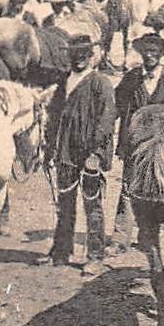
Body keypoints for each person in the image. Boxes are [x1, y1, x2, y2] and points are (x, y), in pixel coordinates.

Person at [44, 34, 117, 274]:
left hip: (89, 154)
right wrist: (49, 149)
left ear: (91, 56)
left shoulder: (100, 83)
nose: (79, 59)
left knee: (92, 204)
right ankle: (61, 251)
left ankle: (95, 256)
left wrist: (95, 153)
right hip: (65, 151)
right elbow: (54, 117)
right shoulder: (63, 81)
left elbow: (107, 121)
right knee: (64, 203)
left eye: (83, 54)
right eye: (75, 54)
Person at [110, 33, 164, 253]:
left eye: (154, 52)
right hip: (134, 144)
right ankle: (120, 238)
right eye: (146, 51)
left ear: (161, 54)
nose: (150, 56)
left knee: (157, 190)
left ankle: (148, 236)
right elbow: (117, 107)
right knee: (128, 189)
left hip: (162, 147)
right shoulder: (131, 78)